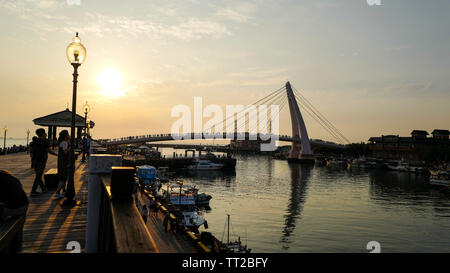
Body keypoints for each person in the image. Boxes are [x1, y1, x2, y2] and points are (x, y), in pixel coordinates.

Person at [31, 128, 57, 195]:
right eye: (45, 133)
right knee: (38, 176)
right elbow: (49, 150)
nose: (46, 134)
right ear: (43, 134)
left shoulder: (34, 141)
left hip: (35, 161)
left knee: (38, 175)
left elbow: (32, 150)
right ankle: (33, 191)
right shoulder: (44, 142)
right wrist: (57, 155)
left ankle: (43, 188)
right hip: (41, 161)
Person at [55, 130, 70, 198]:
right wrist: (70, 148)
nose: (69, 135)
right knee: (63, 177)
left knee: (63, 176)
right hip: (64, 161)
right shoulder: (64, 143)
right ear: (65, 135)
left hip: (61, 161)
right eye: (68, 134)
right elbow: (65, 152)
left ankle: (64, 191)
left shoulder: (63, 142)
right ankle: (58, 192)